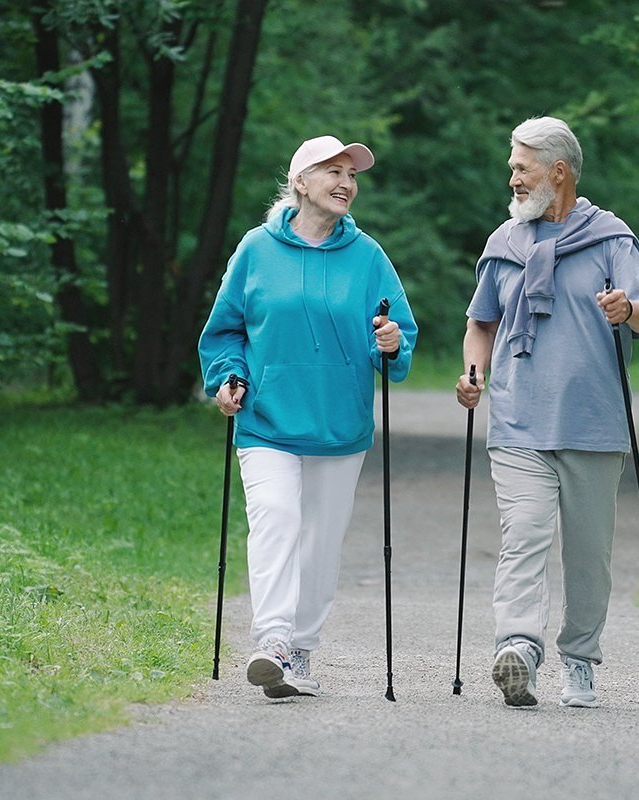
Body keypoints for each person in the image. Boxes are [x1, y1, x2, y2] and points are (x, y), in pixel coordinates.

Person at [198, 135, 417, 699]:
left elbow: (399, 336)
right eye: (333, 171)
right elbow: (225, 330)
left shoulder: (367, 256)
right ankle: (272, 642)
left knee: (320, 543)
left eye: (352, 175)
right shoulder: (255, 249)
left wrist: (391, 342)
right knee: (275, 517)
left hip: (339, 425)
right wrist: (227, 377)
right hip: (266, 418)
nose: (346, 183)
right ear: (300, 181)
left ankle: (300, 649)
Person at [455, 116, 639, 708]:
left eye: (522, 168)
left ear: (559, 172)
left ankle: (579, 659)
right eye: (513, 169)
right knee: (522, 535)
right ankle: (518, 648)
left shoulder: (611, 240)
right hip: (517, 420)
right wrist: (473, 373)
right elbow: (481, 324)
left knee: (588, 556)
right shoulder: (504, 243)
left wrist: (627, 310)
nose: (513, 179)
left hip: (592, 423)